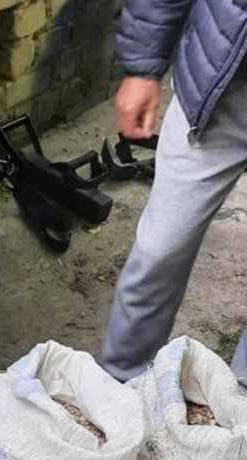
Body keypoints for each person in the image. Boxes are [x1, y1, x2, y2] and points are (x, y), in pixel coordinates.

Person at [102, 0, 247, 385]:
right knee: (159, 250)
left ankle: (239, 404)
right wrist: (142, 66)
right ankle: (120, 386)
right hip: (221, 84)